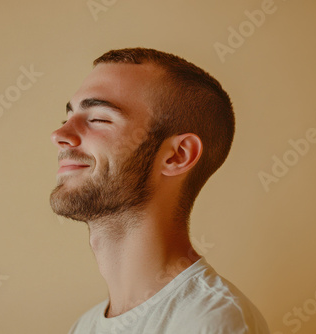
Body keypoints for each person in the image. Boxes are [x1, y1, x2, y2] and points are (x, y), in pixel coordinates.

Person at [50, 47, 269, 334]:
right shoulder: (84, 327)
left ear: (178, 155)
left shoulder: (210, 322)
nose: (59, 135)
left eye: (99, 119)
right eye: (67, 118)